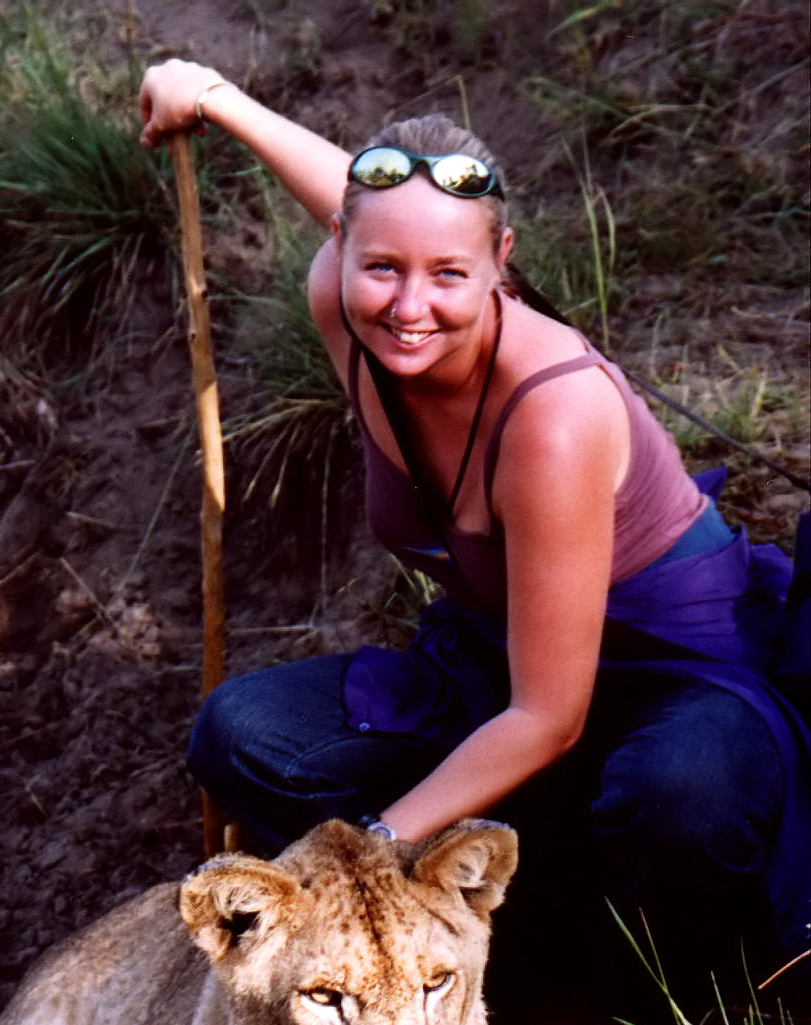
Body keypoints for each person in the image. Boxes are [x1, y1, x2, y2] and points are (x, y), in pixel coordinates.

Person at [139, 61, 809, 971]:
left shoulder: (554, 415)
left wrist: (367, 851)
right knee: (243, 736)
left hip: (671, 681)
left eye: (448, 274)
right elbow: (383, 204)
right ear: (345, 249)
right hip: (498, 659)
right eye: (381, 269)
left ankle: (675, 978)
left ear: (501, 263)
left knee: (681, 795)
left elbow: (549, 717)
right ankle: (531, 914)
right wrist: (214, 98)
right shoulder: (349, 305)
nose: (410, 308)